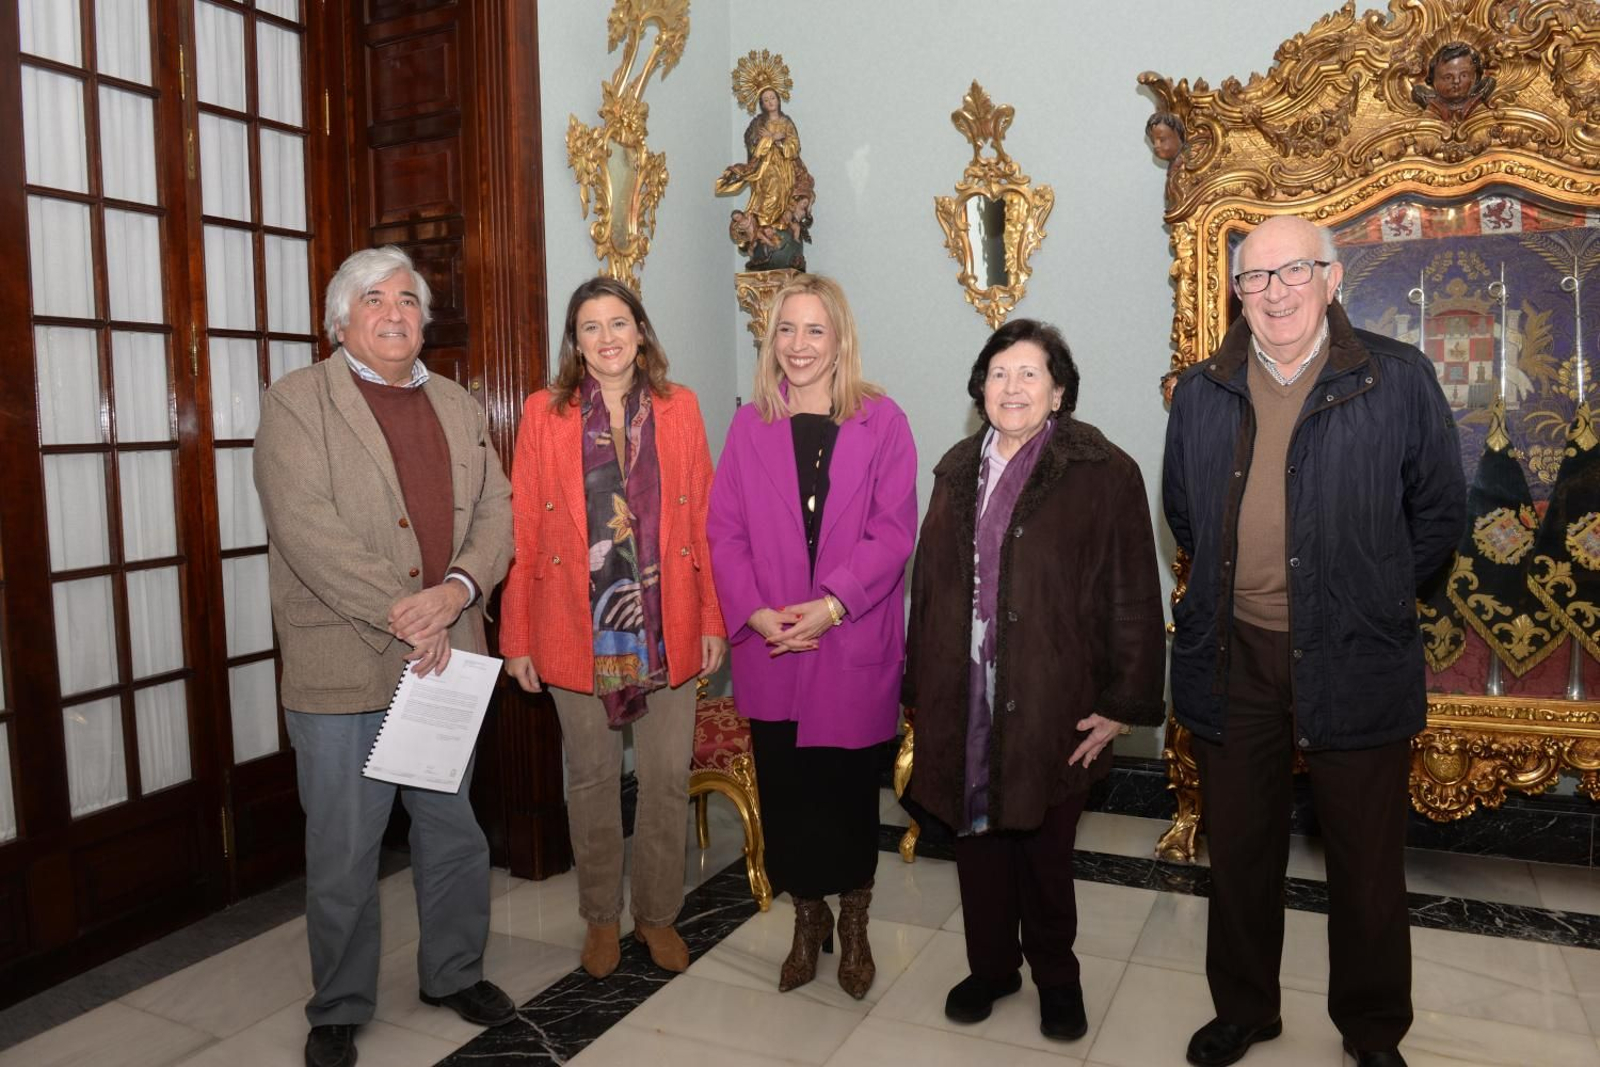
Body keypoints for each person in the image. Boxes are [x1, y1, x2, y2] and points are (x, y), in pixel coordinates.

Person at [1163, 216, 1465, 1067]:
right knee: (1242, 852)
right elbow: (1183, 510)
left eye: (1295, 271)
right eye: (1255, 278)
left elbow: (1440, 513)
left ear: (1334, 279)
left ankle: (1372, 1034)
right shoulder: (1202, 390)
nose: (1276, 291)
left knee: (1367, 865)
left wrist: (1368, 592)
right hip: (1236, 653)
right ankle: (1246, 1009)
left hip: (1357, 652)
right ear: (1237, 294)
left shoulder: (1395, 377)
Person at [254, 246, 517, 1067]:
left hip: (447, 658)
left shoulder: (459, 404)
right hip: (343, 663)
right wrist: (411, 613)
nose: (395, 311)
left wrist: (458, 592)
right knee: (344, 846)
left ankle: (454, 970)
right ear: (341, 319)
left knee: (452, 828)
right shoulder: (298, 403)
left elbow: (498, 516)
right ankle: (337, 1003)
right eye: (375, 298)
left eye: (409, 298)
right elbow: (308, 532)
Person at [902, 318, 1167, 1042]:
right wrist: (917, 689)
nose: (1011, 386)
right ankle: (991, 967)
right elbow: (929, 587)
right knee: (977, 841)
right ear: (979, 388)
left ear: (1058, 391)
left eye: (1028, 373)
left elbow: (1134, 593)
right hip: (965, 695)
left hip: (1056, 693)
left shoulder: (1103, 471)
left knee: (1046, 849)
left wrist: (1121, 704)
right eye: (997, 372)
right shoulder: (956, 468)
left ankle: (1057, 976)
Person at [499, 276, 726, 982]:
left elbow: (705, 524)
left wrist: (713, 617)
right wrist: (517, 637)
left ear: (640, 331)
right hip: (575, 624)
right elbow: (525, 531)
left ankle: (656, 915)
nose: (606, 337)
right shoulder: (545, 413)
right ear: (576, 340)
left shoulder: (680, 407)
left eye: (618, 322)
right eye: (590, 326)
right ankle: (601, 915)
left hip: (670, 622)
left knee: (662, 779)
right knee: (592, 777)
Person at [706, 274, 916, 1000]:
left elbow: (894, 535)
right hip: (772, 648)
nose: (798, 345)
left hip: (849, 642)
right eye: (786, 331)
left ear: (839, 339)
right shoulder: (747, 425)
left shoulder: (882, 420)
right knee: (790, 796)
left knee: (849, 795)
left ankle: (853, 922)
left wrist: (832, 605)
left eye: (814, 330)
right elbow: (723, 531)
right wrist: (757, 611)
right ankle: (808, 919)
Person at [715, 86, 815, 270]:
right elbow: (752, 145)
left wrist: (778, 139)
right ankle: (766, 228)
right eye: (765, 100)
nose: (770, 102)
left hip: (784, 169)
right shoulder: (758, 124)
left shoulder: (786, 122)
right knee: (767, 196)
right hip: (764, 169)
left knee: (780, 193)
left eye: (772, 98)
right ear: (762, 104)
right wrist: (766, 139)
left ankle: (780, 227)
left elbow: (794, 146)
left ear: (778, 99)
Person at [1411, 41, 1494, 121]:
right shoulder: (1431, 107)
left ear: (1475, 77)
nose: (1456, 81)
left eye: (1463, 75)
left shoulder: (1480, 106)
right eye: (1448, 77)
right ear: (1432, 80)